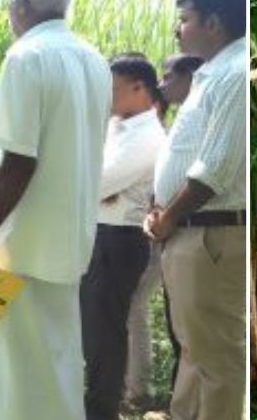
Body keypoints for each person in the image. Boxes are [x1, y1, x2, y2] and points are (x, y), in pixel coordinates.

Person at [0, 0, 111, 420]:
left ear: (22, 1)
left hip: (16, 249)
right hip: (66, 245)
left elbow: (19, 162)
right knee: (57, 367)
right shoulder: (93, 58)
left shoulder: (26, 57)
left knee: (12, 379)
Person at [146, 0, 248, 420]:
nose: (177, 29)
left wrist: (168, 216)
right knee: (194, 350)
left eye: (184, 19)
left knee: (218, 359)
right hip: (188, 232)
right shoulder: (210, 75)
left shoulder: (235, 74)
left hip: (209, 235)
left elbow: (216, 168)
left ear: (214, 22)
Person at [82, 54, 167, 420]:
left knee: (107, 330)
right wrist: (96, 186)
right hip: (101, 233)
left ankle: (102, 409)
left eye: (114, 89)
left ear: (140, 88)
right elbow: (92, 179)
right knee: (93, 327)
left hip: (120, 239)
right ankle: (96, 402)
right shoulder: (116, 128)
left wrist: (96, 186)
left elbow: (93, 182)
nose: (108, 97)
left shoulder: (148, 136)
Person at [127, 53, 203, 407]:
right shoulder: (181, 123)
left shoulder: (202, 118)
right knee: (179, 326)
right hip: (168, 234)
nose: (162, 83)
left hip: (185, 233)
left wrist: (167, 216)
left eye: (169, 75)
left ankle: (169, 399)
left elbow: (205, 178)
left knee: (189, 330)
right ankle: (178, 401)